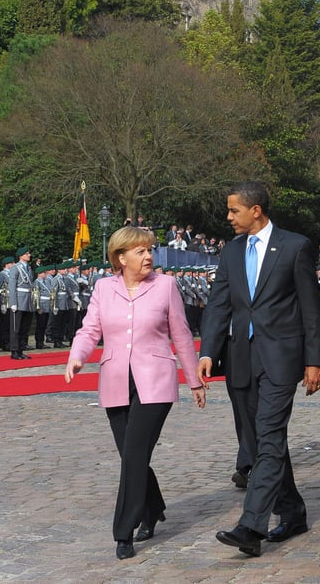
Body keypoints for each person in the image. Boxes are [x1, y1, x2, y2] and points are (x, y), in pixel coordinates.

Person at [197, 181, 320, 558]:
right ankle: (293, 510)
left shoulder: (294, 246)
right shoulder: (231, 251)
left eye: (234, 210)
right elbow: (219, 304)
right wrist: (207, 350)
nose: (228, 216)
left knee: (269, 434)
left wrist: (315, 360)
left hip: (281, 359)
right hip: (239, 359)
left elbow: (311, 309)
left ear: (256, 210)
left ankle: (251, 525)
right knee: (256, 443)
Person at [64, 226, 205, 560]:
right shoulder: (103, 288)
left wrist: (193, 380)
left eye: (149, 250)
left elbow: (182, 335)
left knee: (135, 451)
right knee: (130, 454)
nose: (148, 256)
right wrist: (77, 356)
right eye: (140, 251)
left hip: (155, 379)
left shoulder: (166, 285)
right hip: (115, 378)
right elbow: (90, 329)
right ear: (120, 257)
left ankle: (123, 531)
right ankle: (153, 506)